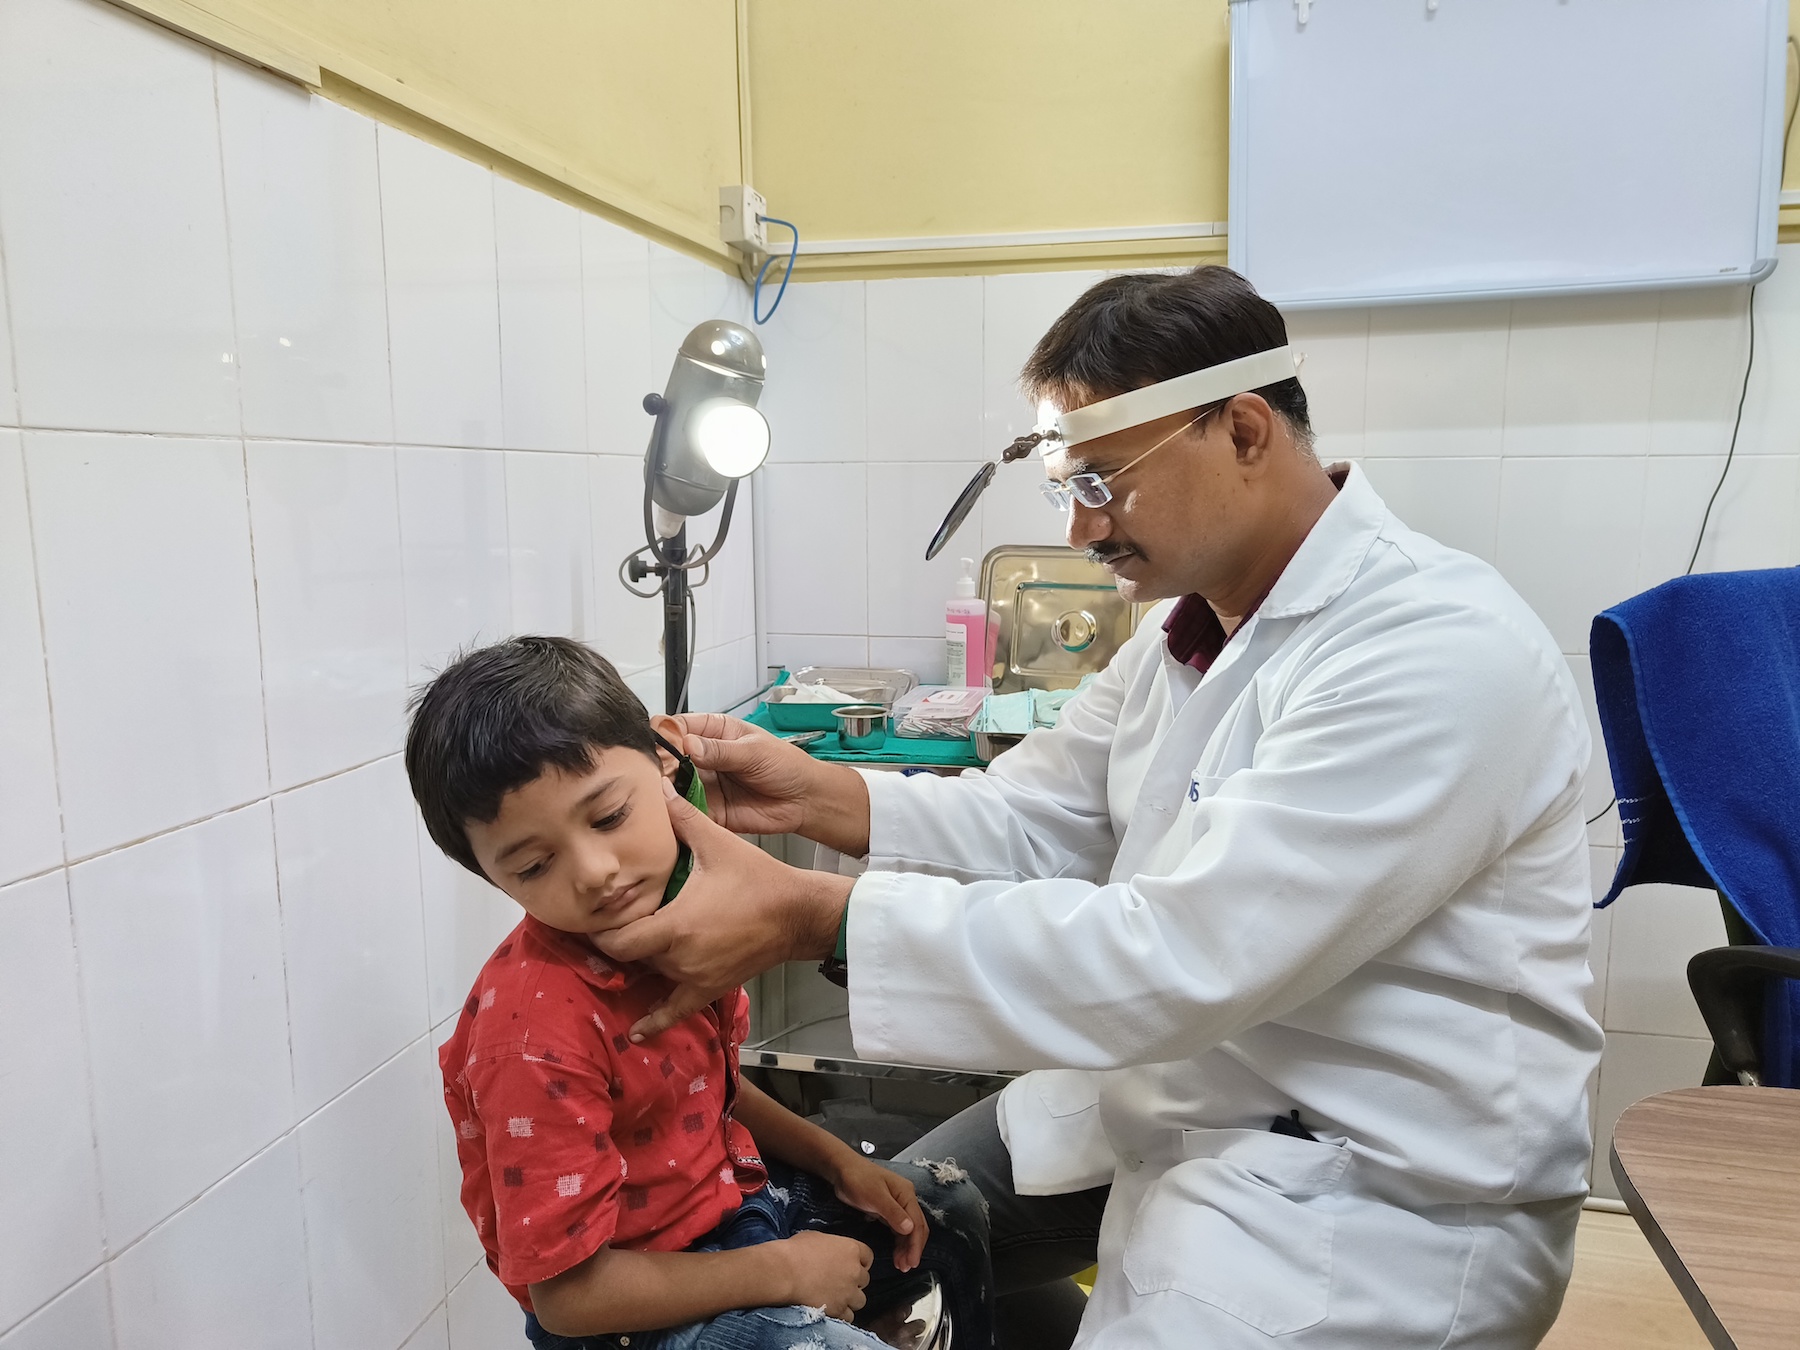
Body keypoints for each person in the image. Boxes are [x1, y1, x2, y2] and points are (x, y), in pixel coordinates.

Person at [596, 267, 1607, 1349]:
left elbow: (1183, 955)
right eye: (1064, 487)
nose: (1083, 528)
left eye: (1103, 480)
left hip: (1369, 1188)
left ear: (1244, 431)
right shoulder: (1189, 632)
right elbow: (1037, 817)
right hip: (1170, 1089)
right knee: (870, 1232)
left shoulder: (1432, 651)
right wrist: (823, 793)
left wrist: (816, 917)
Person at [404, 635, 995, 1350]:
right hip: (629, 1313)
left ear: (665, 759)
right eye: (533, 866)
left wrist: (840, 1162)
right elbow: (568, 1298)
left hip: (727, 1213)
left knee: (948, 1207)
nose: (594, 873)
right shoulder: (534, 1038)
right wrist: (784, 1271)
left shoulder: (673, 927)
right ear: (491, 875)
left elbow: (707, 1089)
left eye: (609, 817)